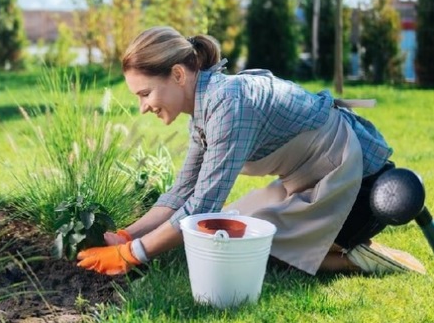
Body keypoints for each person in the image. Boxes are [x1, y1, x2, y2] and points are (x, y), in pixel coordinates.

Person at [76, 26, 426, 276]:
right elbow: (182, 192)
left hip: (360, 187)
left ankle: (362, 259)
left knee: (251, 248)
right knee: (231, 236)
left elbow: (201, 207)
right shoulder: (203, 110)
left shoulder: (228, 106)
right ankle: (332, 247)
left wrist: (130, 255)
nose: (142, 107)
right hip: (314, 179)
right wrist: (126, 234)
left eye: (145, 94)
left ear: (178, 75)